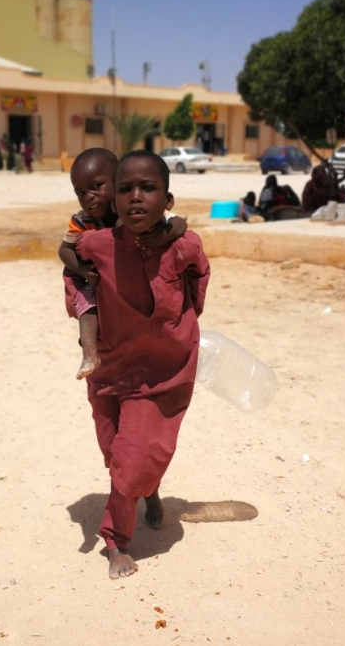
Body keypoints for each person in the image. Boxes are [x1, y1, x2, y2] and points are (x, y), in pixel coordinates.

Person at [74, 151, 210, 580]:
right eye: (125, 189)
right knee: (115, 452)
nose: (136, 198)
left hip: (163, 375)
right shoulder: (96, 246)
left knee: (133, 458)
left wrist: (176, 325)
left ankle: (116, 543)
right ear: (113, 199)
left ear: (167, 200)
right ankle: (148, 493)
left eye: (148, 189)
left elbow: (198, 281)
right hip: (111, 372)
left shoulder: (183, 244)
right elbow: (74, 273)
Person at [58, 148, 188, 380]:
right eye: (81, 192)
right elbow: (64, 249)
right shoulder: (82, 221)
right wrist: (81, 269)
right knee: (87, 302)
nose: (89, 196)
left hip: (131, 285)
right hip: (98, 284)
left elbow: (179, 224)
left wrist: (163, 236)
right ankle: (90, 351)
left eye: (96, 187)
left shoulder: (136, 212)